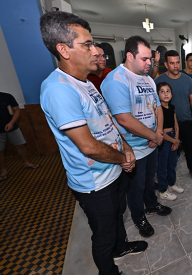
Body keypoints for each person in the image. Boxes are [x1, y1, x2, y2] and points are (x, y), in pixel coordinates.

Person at [40, 11, 146, 275]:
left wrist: (127, 148)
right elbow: (87, 146)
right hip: (94, 183)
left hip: (113, 170)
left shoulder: (85, 82)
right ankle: (108, 270)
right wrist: (124, 158)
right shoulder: (58, 89)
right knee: (103, 234)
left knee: (117, 217)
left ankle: (121, 247)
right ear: (63, 49)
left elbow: (107, 121)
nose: (95, 49)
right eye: (87, 44)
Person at [101, 35, 172, 239]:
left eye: (150, 59)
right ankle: (138, 217)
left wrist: (157, 133)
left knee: (150, 179)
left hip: (151, 142)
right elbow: (124, 119)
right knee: (135, 186)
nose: (150, 63)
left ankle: (151, 205)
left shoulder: (148, 78)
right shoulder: (116, 80)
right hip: (132, 147)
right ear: (130, 56)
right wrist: (155, 136)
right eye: (144, 59)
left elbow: (157, 107)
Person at [154, 50, 192, 180]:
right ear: (166, 64)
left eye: (177, 62)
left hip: (186, 120)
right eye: (172, 63)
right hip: (166, 124)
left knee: (189, 148)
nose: (176, 66)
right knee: (166, 151)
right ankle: (166, 175)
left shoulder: (188, 80)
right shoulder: (160, 80)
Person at [0, 92, 39, 181]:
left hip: (12, 127)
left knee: (20, 145)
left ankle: (26, 163)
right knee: (0, 150)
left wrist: (11, 123)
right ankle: (3, 170)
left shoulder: (7, 96)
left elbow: (16, 110)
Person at [156, 82, 184, 201]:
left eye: (168, 91)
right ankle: (163, 190)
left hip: (173, 137)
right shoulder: (158, 109)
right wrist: (173, 140)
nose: (166, 94)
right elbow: (160, 130)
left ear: (171, 94)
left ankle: (171, 184)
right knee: (163, 166)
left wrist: (176, 139)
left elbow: (176, 124)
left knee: (172, 164)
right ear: (158, 94)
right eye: (162, 91)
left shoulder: (172, 107)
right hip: (164, 139)